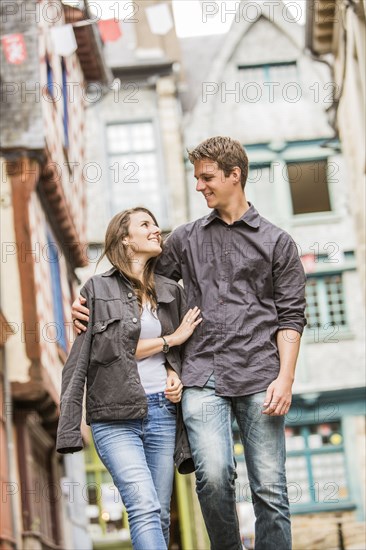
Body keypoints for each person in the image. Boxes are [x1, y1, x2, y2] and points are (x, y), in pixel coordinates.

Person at [72, 137, 307, 550]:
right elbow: (133, 280)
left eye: (207, 177)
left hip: (260, 375)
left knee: (270, 488)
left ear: (236, 176)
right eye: (197, 178)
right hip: (201, 374)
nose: (200, 186)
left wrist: (285, 377)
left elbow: (291, 317)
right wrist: (85, 302)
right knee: (213, 477)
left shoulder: (277, 243)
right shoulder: (185, 239)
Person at [57, 207, 201, 550]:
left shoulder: (170, 291)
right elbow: (110, 350)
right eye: (145, 225)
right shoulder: (97, 289)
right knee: (144, 507)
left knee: (161, 514)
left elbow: (179, 354)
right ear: (125, 239)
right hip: (114, 417)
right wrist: (171, 339)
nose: (156, 231)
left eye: (155, 224)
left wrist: (172, 371)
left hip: (162, 413)